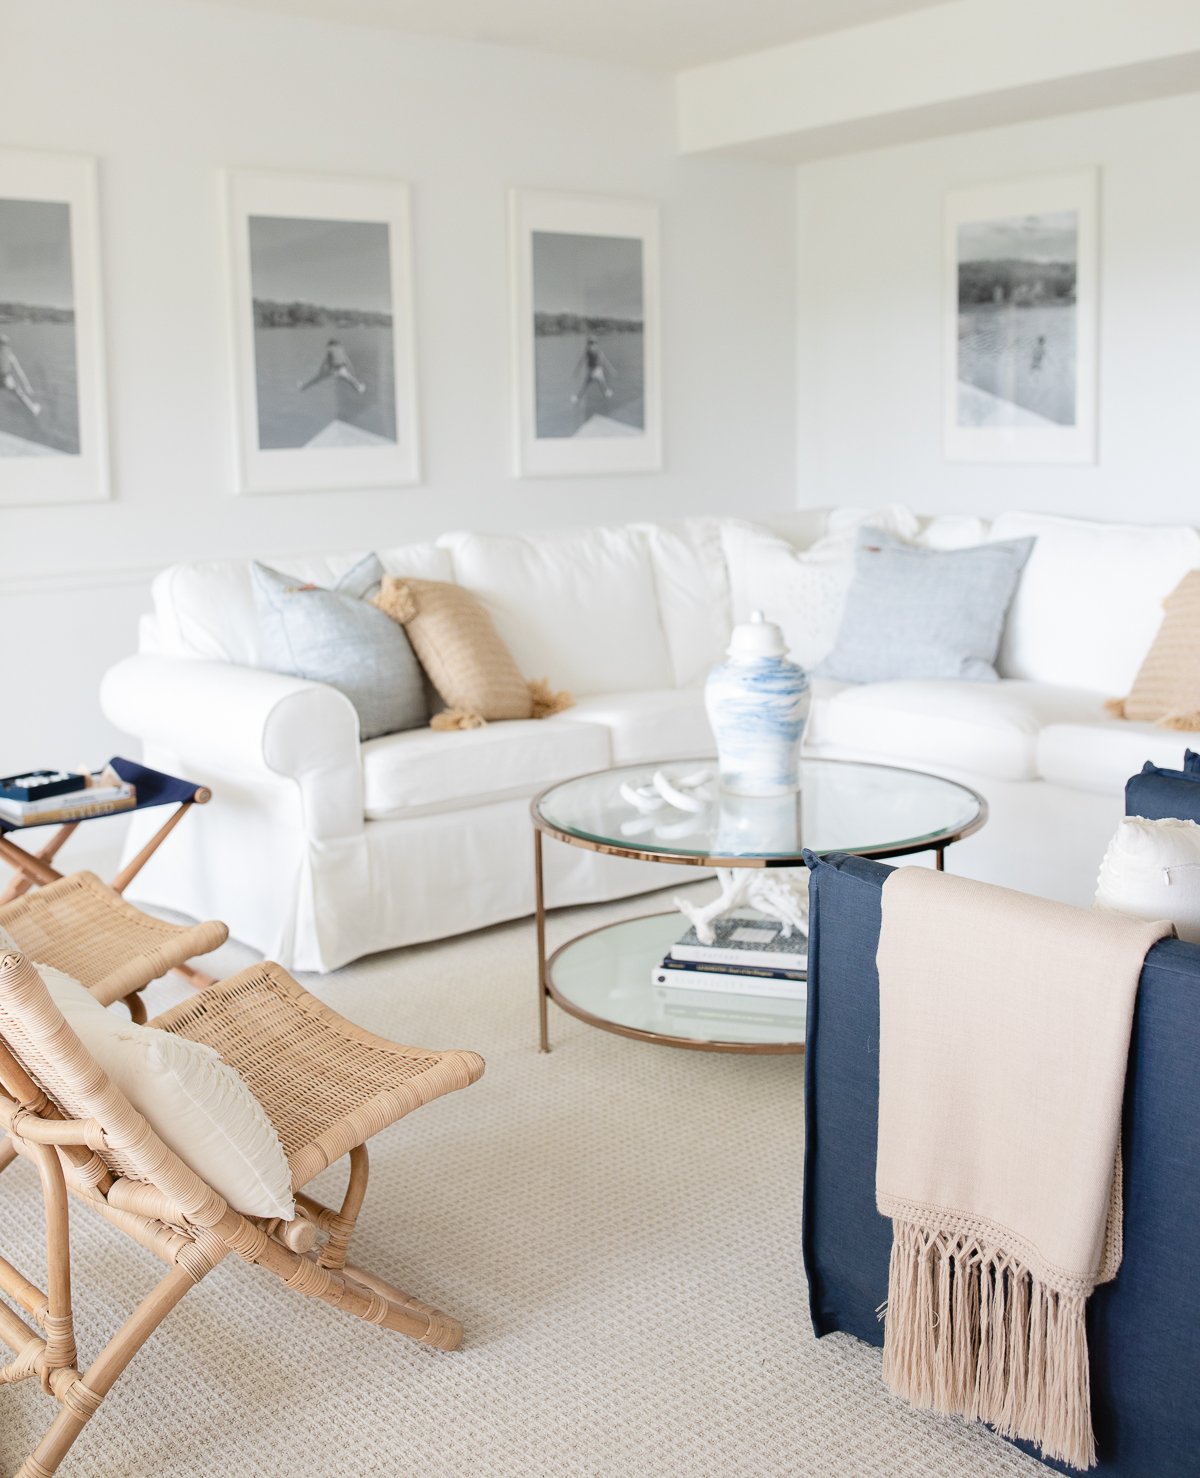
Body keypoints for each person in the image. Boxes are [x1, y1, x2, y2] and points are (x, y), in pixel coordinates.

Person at [297, 338, 366, 395]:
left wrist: (320, 371)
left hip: (332, 370)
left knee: (315, 380)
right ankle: (359, 389)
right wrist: (352, 370)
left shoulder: (330, 350)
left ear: (330, 345)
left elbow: (325, 361)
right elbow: (348, 361)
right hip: (342, 370)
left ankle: (302, 387)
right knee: (351, 380)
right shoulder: (341, 349)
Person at [0, 333, 41, 417]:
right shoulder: (10, 356)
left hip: (3, 379)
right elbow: (19, 372)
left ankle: (33, 409)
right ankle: (33, 409)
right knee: (19, 393)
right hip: (6, 380)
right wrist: (27, 386)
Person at [570, 335, 615, 405]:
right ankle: (607, 393)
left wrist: (576, 371)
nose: (590, 345)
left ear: (588, 343)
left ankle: (577, 398)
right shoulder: (598, 351)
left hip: (591, 372)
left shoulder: (587, 351)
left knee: (585, 386)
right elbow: (605, 361)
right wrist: (611, 369)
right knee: (602, 384)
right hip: (597, 371)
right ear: (595, 343)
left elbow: (581, 362)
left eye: (589, 343)